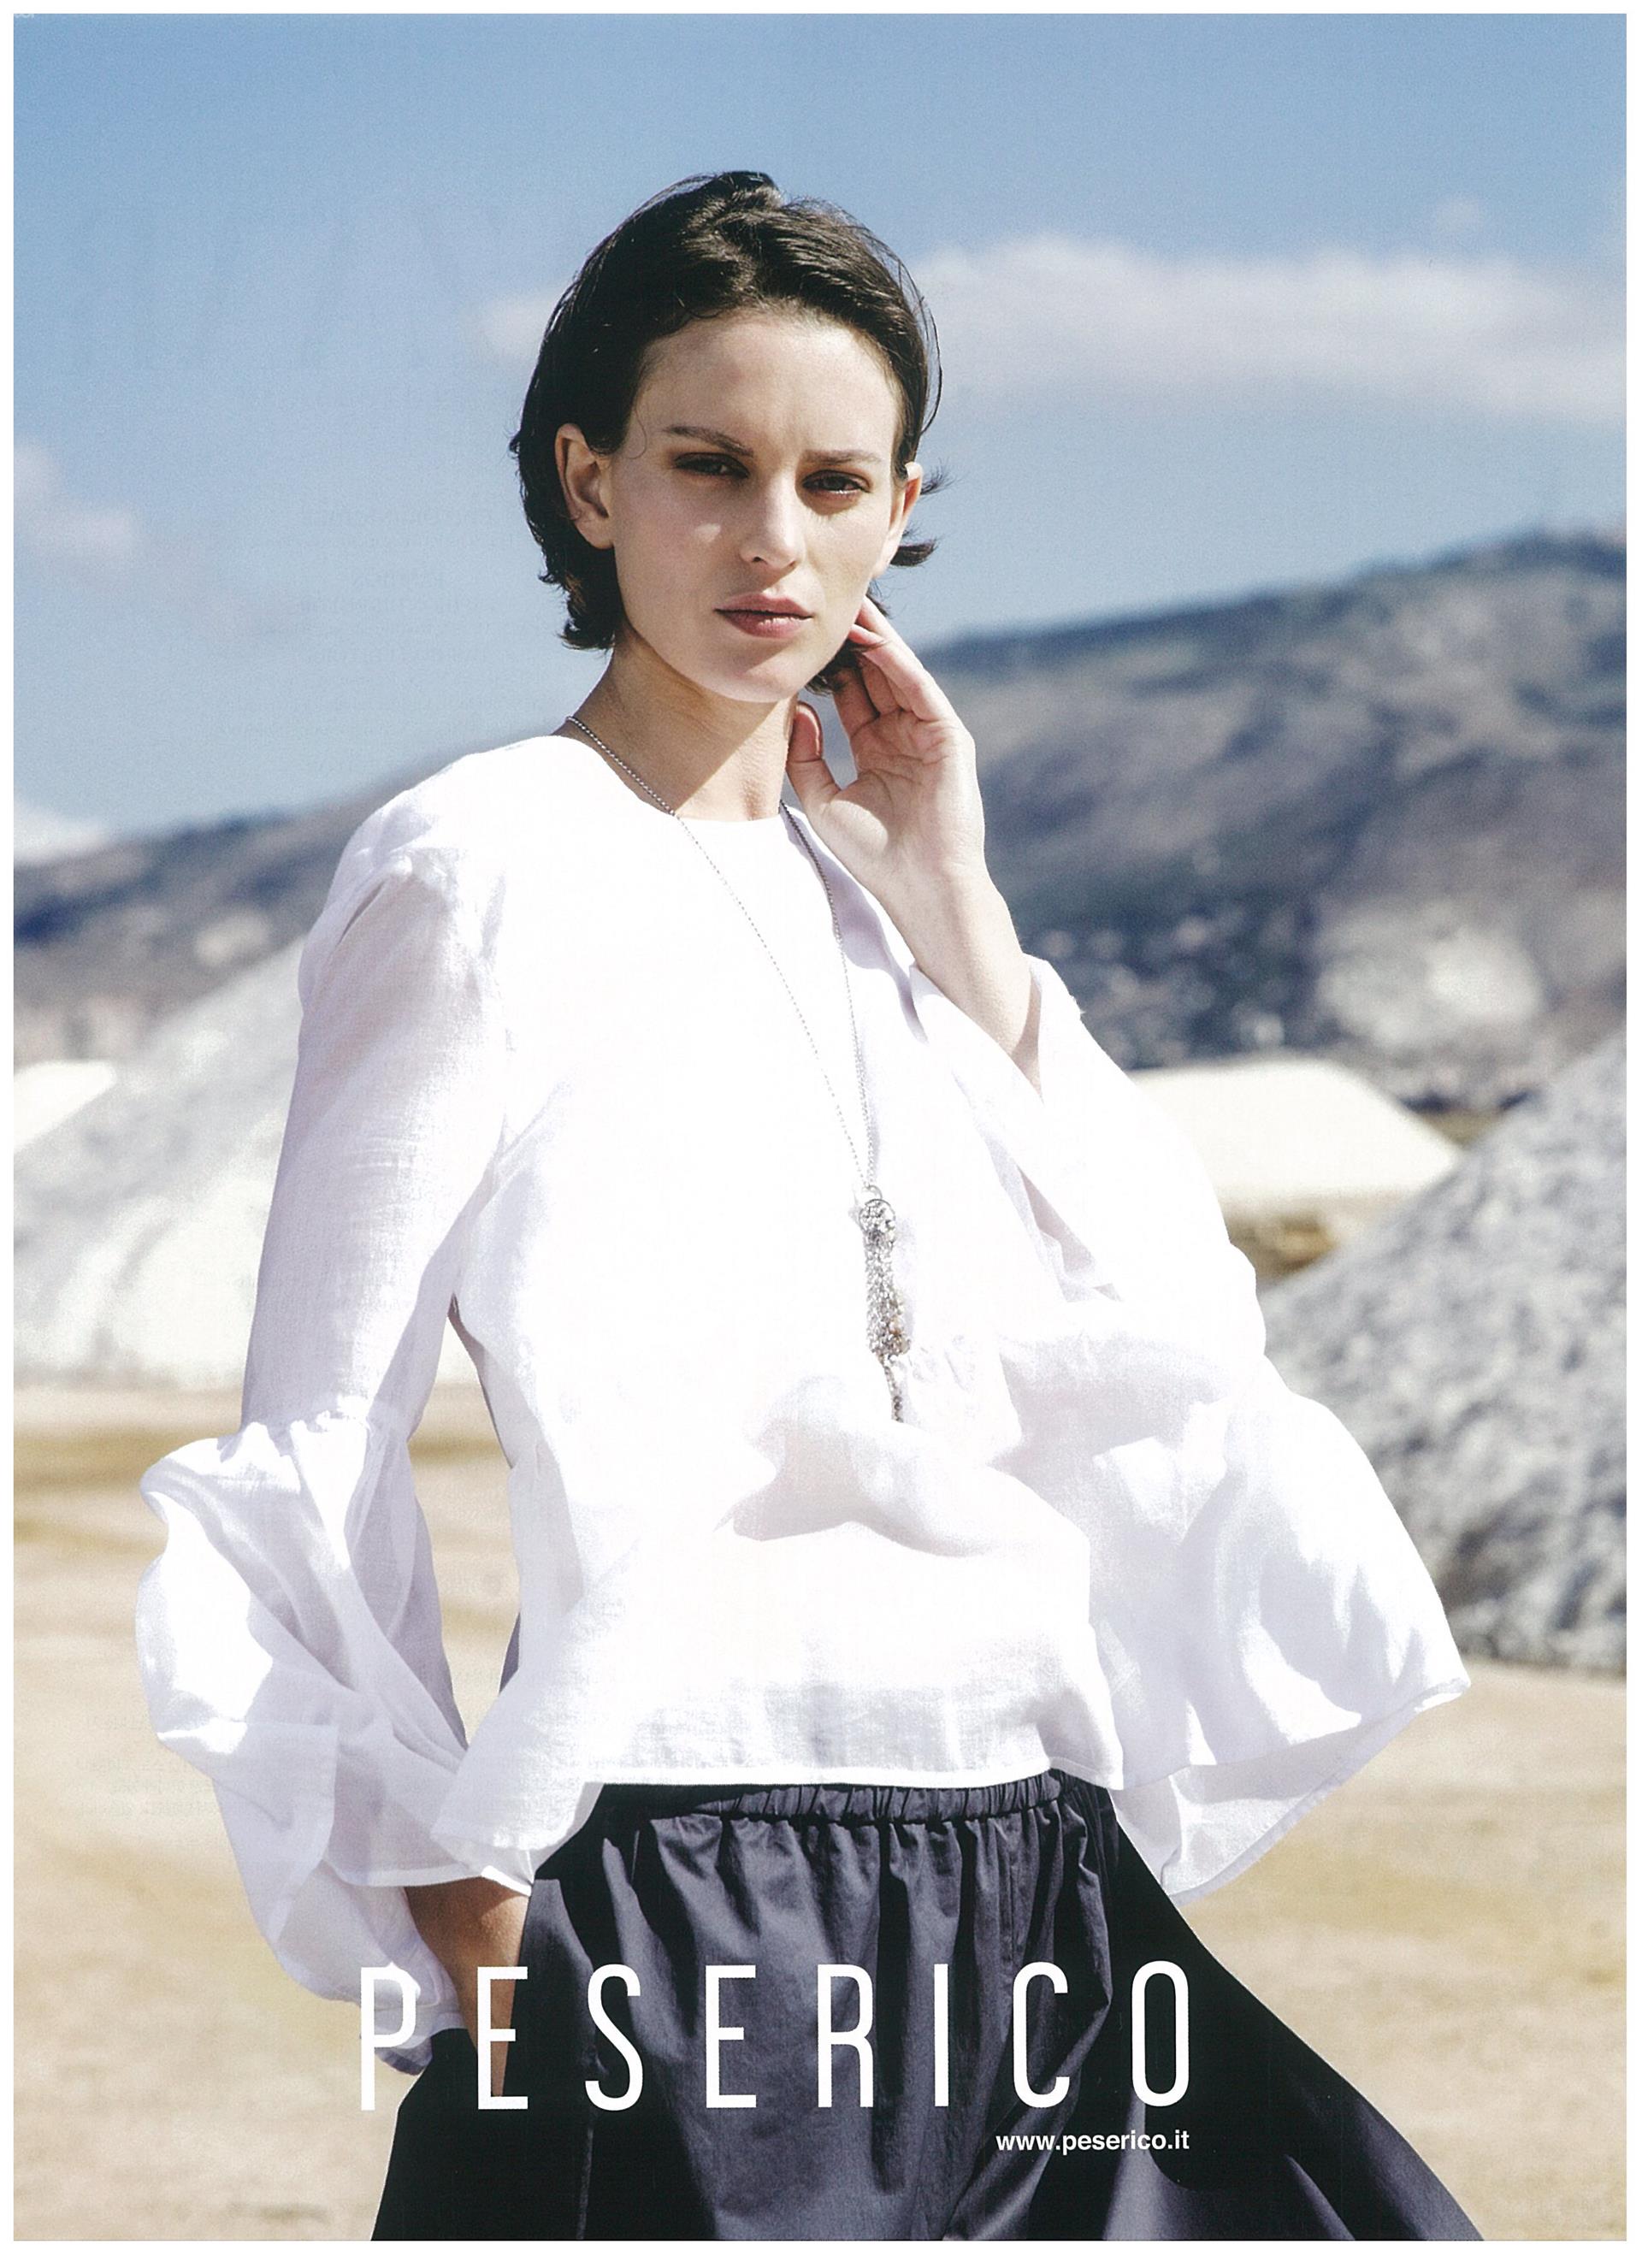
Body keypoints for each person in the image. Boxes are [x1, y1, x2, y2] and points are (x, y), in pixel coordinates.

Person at [135, 171, 1481, 2241]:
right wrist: (446, 1896)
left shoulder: (891, 914)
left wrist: (954, 895)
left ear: (899, 508)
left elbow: (1180, 1338)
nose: (774, 537)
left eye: (834, 481)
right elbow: (322, 1429)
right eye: (710, 466)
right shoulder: (479, 866)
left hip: (1033, 1875)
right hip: (689, 1876)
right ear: (590, 483)